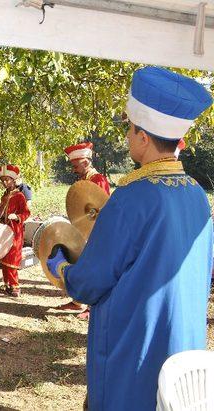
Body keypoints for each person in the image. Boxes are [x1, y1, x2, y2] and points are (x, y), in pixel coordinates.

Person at [47, 66, 213, 411]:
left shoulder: (131, 195)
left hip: (135, 340)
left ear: (143, 137)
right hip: (184, 340)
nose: (128, 136)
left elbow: (91, 281)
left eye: (130, 129)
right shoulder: (197, 194)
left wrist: (61, 266)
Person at [57, 142, 112, 318]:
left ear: (86, 162)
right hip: (83, 228)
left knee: (92, 267)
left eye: (75, 165)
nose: (73, 169)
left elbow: (102, 207)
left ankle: (90, 307)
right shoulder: (84, 180)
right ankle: (77, 302)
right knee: (80, 263)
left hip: (96, 231)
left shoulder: (98, 180)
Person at [0, 164, 30, 297]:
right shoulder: (4, 196)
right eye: (3, 180)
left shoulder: (20, 196)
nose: (5, 182)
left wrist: (17, 216)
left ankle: (15, 286)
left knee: (12, 258)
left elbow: (26, 213)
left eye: (7, 180)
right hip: (4, 230)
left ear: (13, 180)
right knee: (4, 256)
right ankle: (7, 284)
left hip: (15, 231)